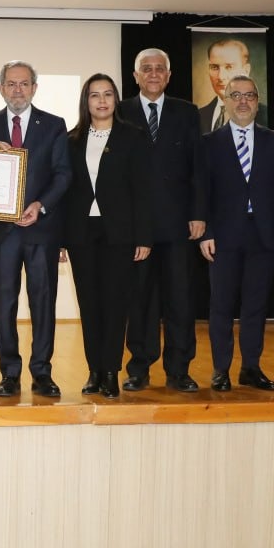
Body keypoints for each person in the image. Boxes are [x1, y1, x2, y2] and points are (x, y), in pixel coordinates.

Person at [0, 61, 71, 398]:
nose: (18, 90)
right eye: (11, 84)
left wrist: (40, 205)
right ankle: (9, 373)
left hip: (42, 229)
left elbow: (63, 174)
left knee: (43, 302)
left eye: (24, 84)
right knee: (4, 304)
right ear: (1, 89)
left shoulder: (55, 125)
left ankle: (42, 372)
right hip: (0, 233)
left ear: (34, 88)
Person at [199, 74, 274, 392]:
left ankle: (251, 368)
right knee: (221, 307)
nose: (243, 101)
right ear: (225, 101)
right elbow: (202, 193)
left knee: (256, 306)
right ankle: (221, 369)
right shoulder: (209, 142)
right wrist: (206, 232)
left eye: (249, 95)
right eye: (236, 95)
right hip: (223, 237)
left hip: (264, 236)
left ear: (257, 102)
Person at [117, 48, 205, 393]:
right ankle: (139, 367)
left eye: (159, 69)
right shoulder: (120, 111)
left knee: (180, 300)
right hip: (135, 226)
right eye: (146, 68)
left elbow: (198, 168)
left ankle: (179, 369)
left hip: (178, 225)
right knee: (139, 300)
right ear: (135, 76)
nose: (153, 73)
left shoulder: (187, 112)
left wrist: (199, 214)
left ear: (168, 76)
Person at [61, 74, 152, 399]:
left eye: (108, 94)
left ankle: (111, 371)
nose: (101, 101)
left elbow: (143, 190)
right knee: (89, 304)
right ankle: (94, 371)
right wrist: (61, 238)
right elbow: (66, 191)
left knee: (115, 304)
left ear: (116, 99)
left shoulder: (134, 136)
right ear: (85, 102)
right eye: (94, 95)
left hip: (120, 233)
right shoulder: (71, 140)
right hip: (81, 232)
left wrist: (144, 236)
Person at [198, 38, 269, 133]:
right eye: (214, 67)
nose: (221, 76)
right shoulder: (198, 115)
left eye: (229, 67)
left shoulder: (264, 115)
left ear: (246, 71)